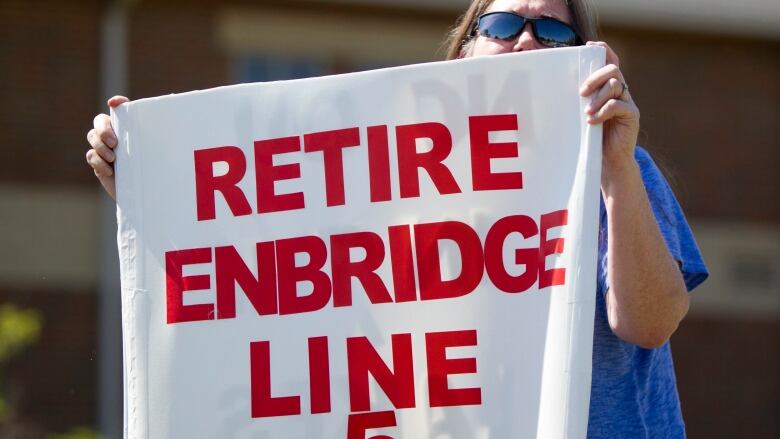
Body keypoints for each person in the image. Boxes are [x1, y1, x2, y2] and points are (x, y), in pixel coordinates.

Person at [85, 0, 708, 437]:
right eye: (502, 23)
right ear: (465, 52)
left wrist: (617, 171)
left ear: (585, 58)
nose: (525, 40)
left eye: (552, 33)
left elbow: (650, 324)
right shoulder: (393, 185)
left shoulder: (615, 165)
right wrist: (160, 192)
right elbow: (280, 283)